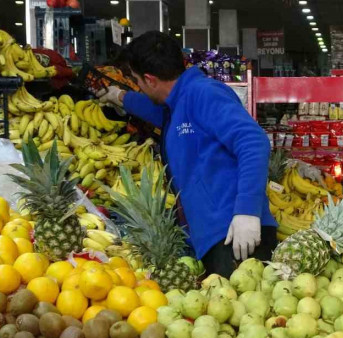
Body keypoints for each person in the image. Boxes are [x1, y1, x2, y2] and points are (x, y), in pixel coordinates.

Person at [96, 31, 277, 278]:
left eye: (137, 81)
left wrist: (247, 211)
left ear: (150, 79)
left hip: (236, 235)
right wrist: (121, 97)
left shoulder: (204, 93)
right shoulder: (178, 101)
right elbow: (162, 114)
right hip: (214, 235)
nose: (138, 86)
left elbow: (253, 141)